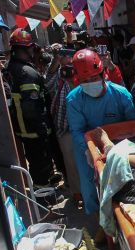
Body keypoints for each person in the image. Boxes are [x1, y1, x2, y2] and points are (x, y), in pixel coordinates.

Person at [67, 49, 135, 214]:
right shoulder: (74, 99)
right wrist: (88, 151)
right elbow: (77, 130)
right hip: (88, 148)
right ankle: (96, 220)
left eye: (93, 78)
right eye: (85, 81)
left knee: (127, 182)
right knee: (89, 186)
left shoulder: (120, 94)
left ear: (102, 74)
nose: (90, 83)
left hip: (119, 145)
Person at [5, 28, 59, 188]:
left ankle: (43, 194)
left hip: (23, 129)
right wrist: (43, 129)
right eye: (31, 48)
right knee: (42, 168)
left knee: (35, 164)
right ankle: (45, 202)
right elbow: (31, 107)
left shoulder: (10, 68)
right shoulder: (28, 73)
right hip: (35, 130)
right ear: (26, 48)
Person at [45, 47, 83, 207]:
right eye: (64, 56)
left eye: (70, 56)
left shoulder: (81, 73)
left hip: (83, 127)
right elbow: (48, 80)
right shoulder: (58, 77)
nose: (67, 59)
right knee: (71, 163)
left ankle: (93, 192)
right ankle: (77, 193)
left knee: (87, 161)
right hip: (64, 129)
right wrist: (56, 60)